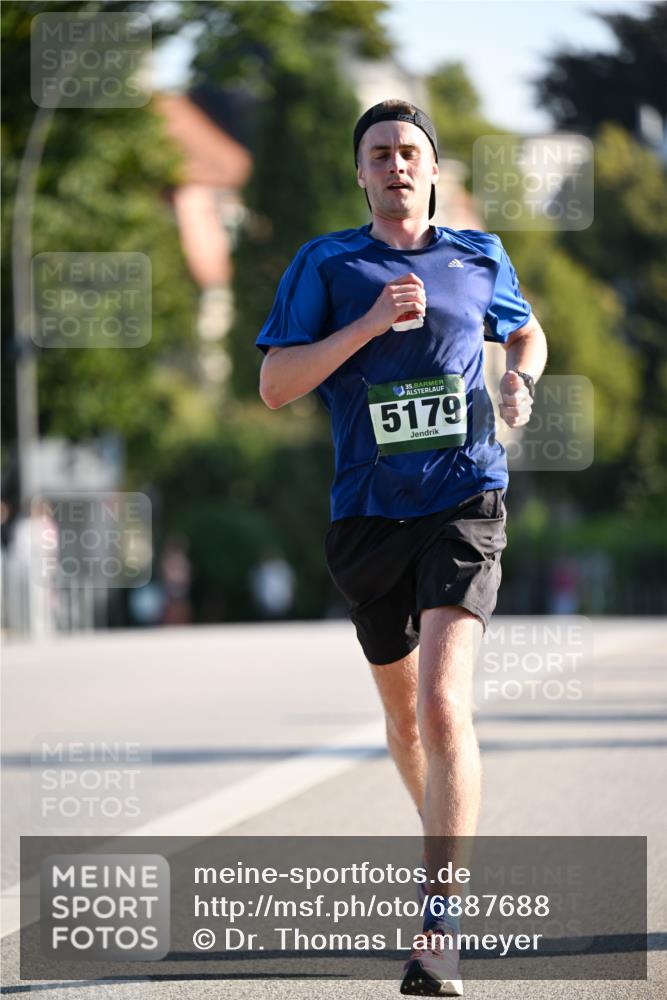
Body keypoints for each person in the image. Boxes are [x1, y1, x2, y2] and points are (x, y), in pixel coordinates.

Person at [256, 99, 548, 996]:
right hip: (365, 516)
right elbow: (274, 384)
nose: (394, 165)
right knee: (403, 717)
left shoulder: (477, 255)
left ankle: (438, 926)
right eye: (378, 153)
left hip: (463, 498)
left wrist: (519, 380)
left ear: (431, 167)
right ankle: (444, 838)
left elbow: (525, 329)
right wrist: (368, 324)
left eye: (408, 152)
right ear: (360, 173)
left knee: (441, 707)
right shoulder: (327, 264)